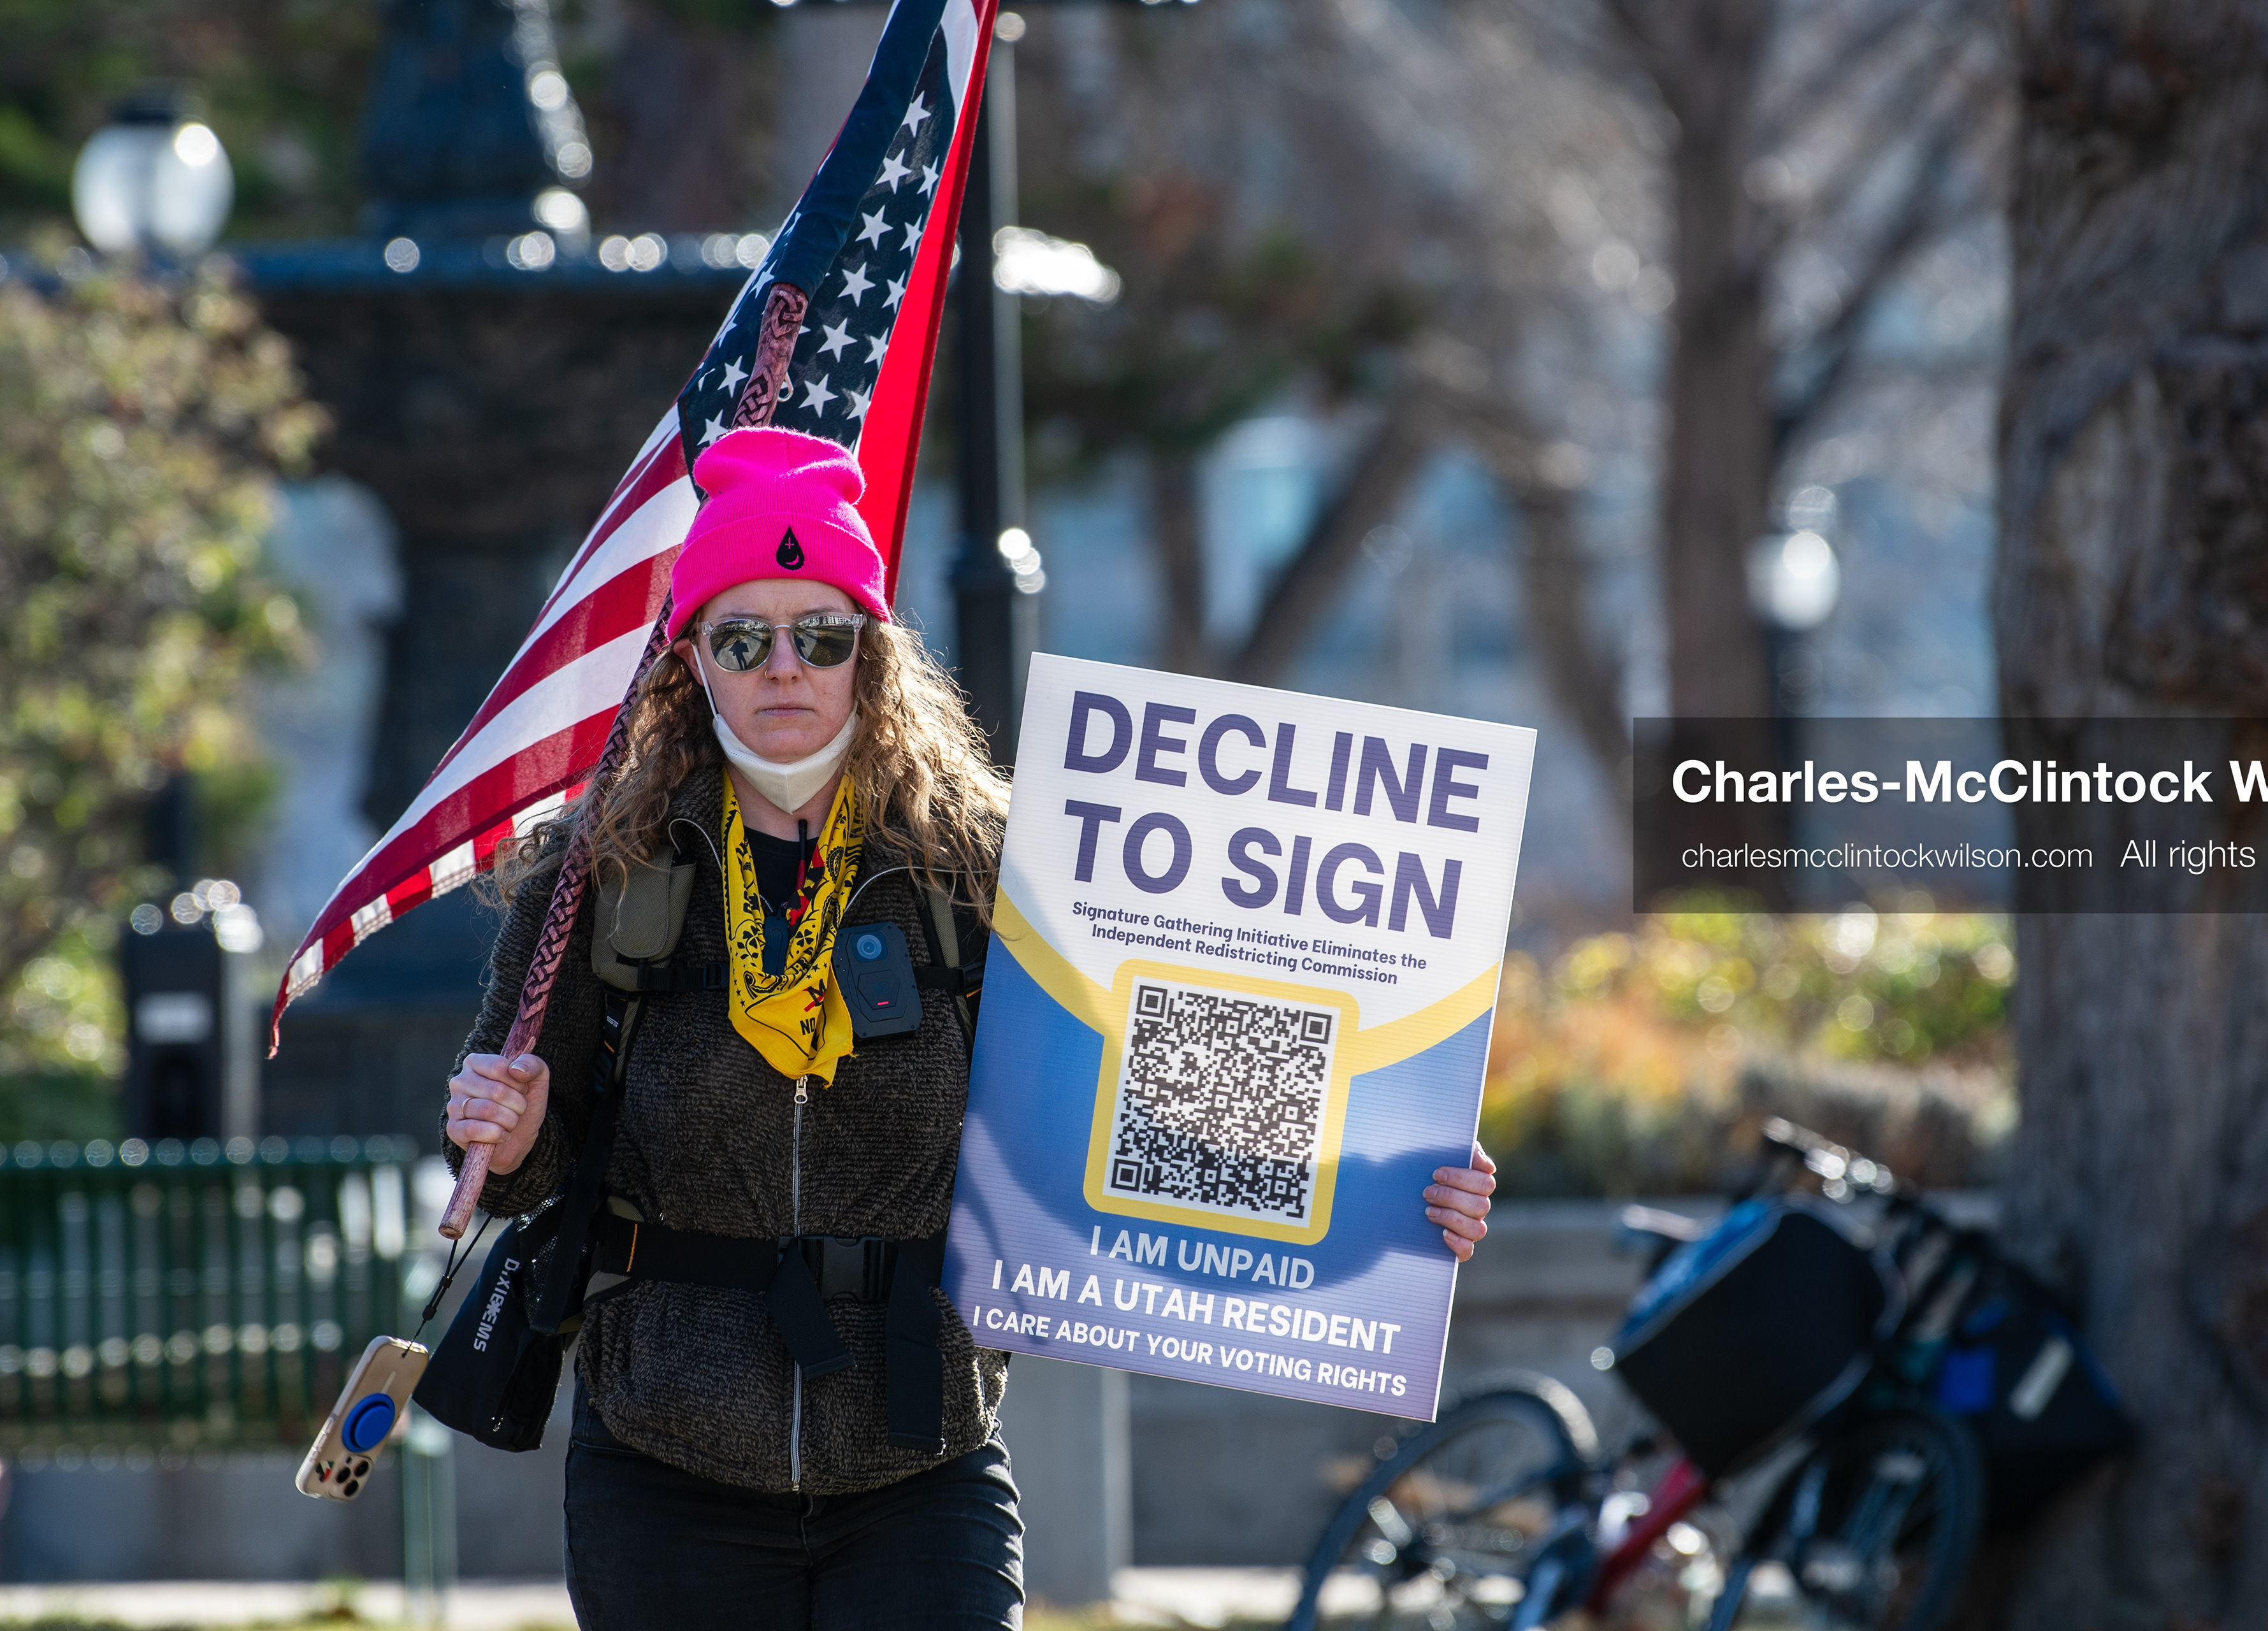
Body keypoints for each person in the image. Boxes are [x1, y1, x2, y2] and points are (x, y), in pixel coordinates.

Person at [442, 426, 1499, 1629]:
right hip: (664, 1468)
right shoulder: (599, 874)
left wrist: (1397, 1184)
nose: (784, 667)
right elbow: (518, 1177)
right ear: (693, 666)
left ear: (871, 660)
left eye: (821, 636)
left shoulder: (996, 867)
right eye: (744, 638)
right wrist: (508, 1138)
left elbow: (1170, 1104)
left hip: (919, 1463)